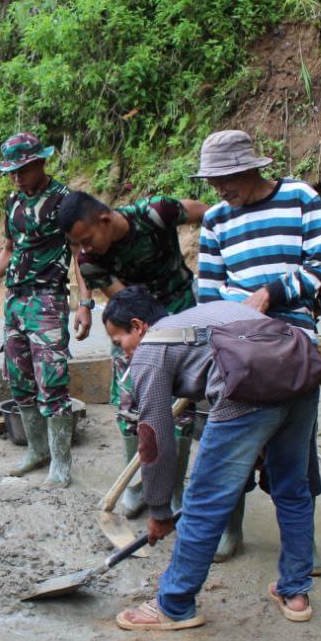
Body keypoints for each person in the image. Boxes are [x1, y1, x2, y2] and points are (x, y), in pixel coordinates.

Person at [104, 288, 318, 631]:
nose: (123, 352)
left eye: (119, 341)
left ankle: (173, 605)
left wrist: (159, 511)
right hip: (301, 368)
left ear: (138, 326)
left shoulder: (150, 349)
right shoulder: (204, 314)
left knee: (204, 499)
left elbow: (155, 439)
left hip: (249, 385)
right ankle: (295, 593)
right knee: (293, 488)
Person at [192, 130, 321, 563]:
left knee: (294, 448)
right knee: (230, 439)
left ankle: (298, 539)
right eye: (213, 182)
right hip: (236, 341)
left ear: (251, 168)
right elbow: (208, 292)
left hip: (292, 342)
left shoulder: (300, 198)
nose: (219, 189)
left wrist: (271, 294)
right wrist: (239, 316)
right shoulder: (215, 218)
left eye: (226, 179)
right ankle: (228, 530)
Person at [58, 189, 209, 517]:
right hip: (134, 326)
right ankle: (138, 485)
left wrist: (216, 269)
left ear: (105, 219)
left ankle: (172, 489)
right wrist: (148, 347)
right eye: (77, 244)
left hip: (182, 315)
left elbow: (209, 213)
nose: (83, 249)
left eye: (86, 239)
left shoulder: (156, 213)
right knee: (131, 405)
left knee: (179, 409)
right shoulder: (90, 261)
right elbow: (128, 304)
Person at [0, 133, 76, 487]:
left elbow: (79, 250)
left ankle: (61, 463)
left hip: (48, 301)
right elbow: (9, 250)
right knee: (21, 379)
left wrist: (85, 302)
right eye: (10, 172)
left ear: (40, 162)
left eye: (22, 170)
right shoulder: (12, 202)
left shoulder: (64, 200)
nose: (16, 177)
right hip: (15, 301)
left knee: (52, 382)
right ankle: (37, 450)